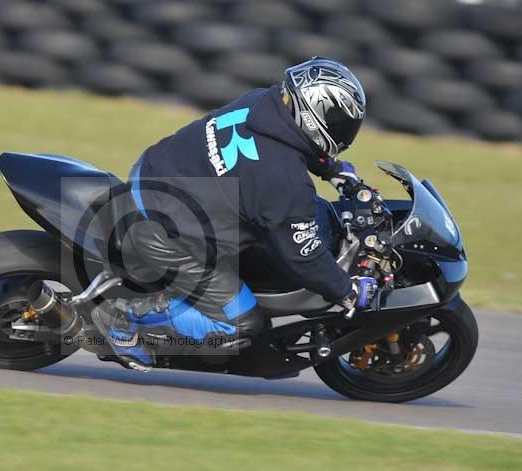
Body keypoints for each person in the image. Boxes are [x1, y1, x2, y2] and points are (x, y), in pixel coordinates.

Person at [93, 57, 377, 372]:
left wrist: (331, 170)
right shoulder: (282, 181)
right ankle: (124, 317)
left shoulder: (261, 102)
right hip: (163, 233)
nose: (345, 131)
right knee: (242, 326)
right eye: (338, 121)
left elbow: (288, 143)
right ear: (313, 116)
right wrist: (347, 291)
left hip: (154, 172)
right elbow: (303, 256)